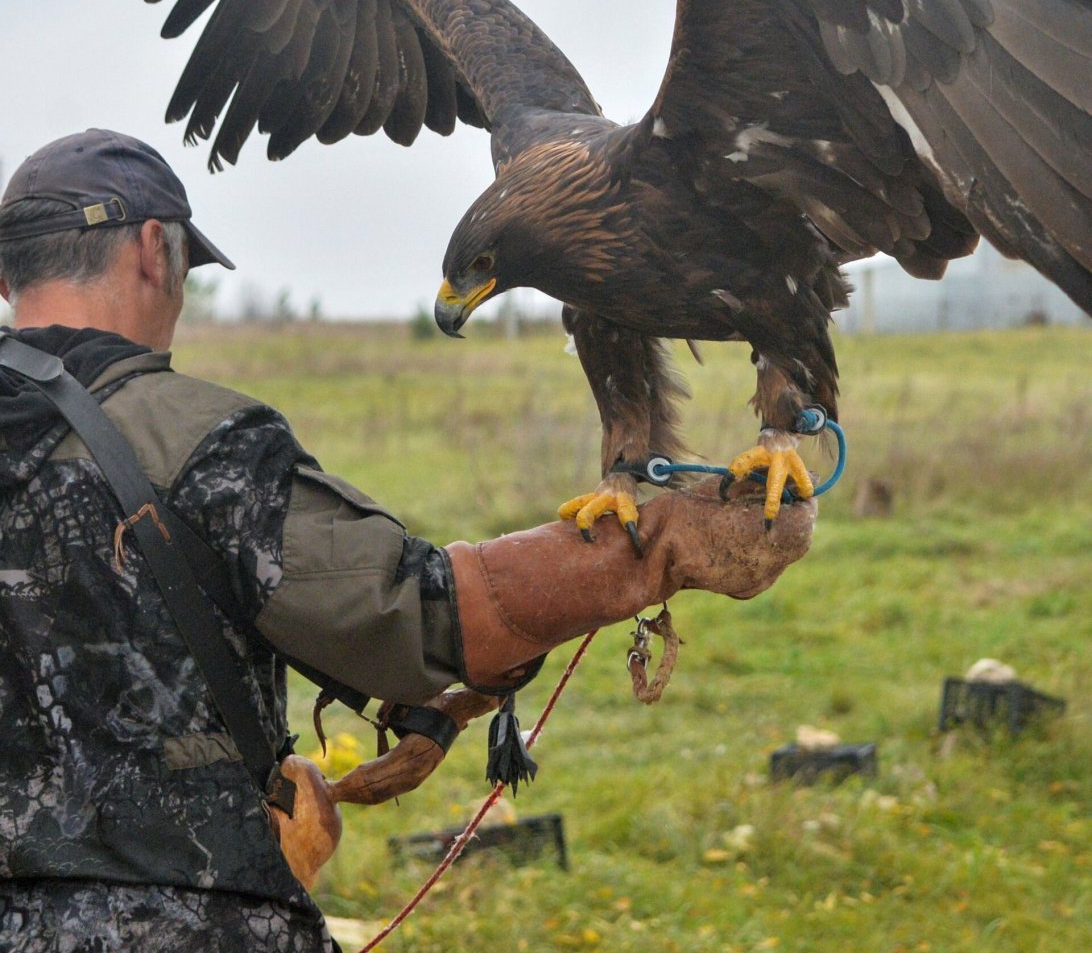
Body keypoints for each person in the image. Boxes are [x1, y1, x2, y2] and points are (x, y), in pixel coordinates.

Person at [0, 130, 815, 952]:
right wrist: (664, 542)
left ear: (6, 278)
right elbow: (421, 618)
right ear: (152, 251)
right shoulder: (200, 443)